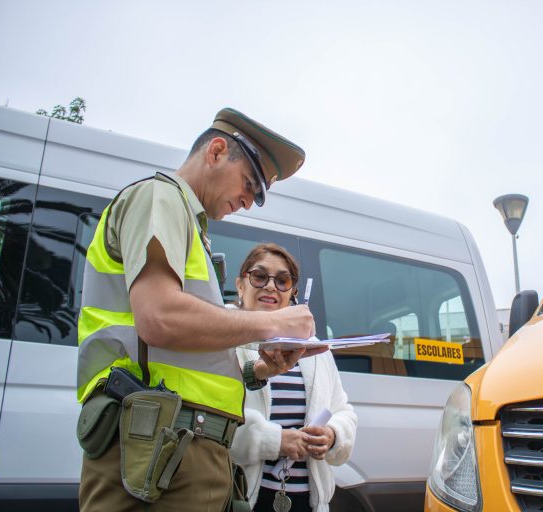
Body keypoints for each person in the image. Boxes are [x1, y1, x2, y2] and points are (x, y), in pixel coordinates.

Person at [77, 108, 321, 511]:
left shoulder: (189, 226)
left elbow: (182, 352)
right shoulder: (160, 198)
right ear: (217, 151)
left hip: (175, 450)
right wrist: (271, 322)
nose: (248, 202)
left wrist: (259, 369)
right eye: (249, 183)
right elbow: (160, 318)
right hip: (160, 449)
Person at [230, 243, 357, 512]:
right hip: (241, 498)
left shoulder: (315, 349)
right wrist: (275, 441)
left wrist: (332, 435)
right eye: (260, 276)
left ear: (293, 294)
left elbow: (343, 411)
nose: (271, 287)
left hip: (307, 503)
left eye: (282, 280)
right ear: (240, 285)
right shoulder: (225, 339)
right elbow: (211, 424)